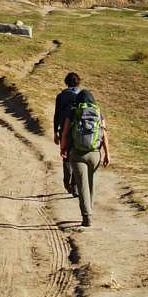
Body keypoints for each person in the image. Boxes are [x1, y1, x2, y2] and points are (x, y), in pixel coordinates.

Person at [59, 89, 110, 228]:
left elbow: (65, 133)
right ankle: (90, 210)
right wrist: (107, 154)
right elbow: (104, 134)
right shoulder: (98, 112)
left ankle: (86, 215)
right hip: (95, 153)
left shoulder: (73, 111)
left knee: (82, 186)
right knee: (91, 183)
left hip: (77, 153)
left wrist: (63, 148)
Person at [52, 72, 86, 197]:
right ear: (79, 82)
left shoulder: (61, 96)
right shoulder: (82, 95)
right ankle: (75, 186)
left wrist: (55, 132)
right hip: (79, 129)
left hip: (64, 129)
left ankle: (67, 183)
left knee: (66, 155)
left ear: (66, 82)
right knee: (77, 157)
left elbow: (56, 115)